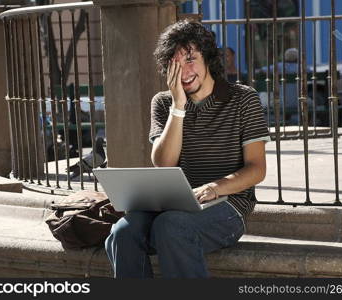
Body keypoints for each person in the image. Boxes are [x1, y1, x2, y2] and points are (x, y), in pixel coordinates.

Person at [104, 20, 270, 278]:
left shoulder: (243, 99)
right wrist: (178, 107)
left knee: (171, 227)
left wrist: (215, 188)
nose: (183, 70)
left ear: (208, 58)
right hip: (172, 206)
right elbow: (164, 163)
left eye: (190, 59)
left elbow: (257, 169)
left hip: (227, 206)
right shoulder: (163, 103)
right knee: (122, 233)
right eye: (174, 62)